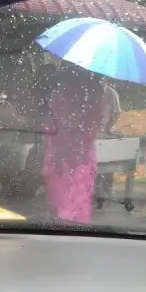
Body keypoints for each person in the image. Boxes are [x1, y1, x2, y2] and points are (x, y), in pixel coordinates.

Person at [42, 63, 104, 223]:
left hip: (77, 161)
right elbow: (50, 128)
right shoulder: (62, 96)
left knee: (73, 206)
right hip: (64, 161)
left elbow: (91, 130)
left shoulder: (92, 98)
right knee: (66, 206)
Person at [98, 79, 123, 206]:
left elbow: (117, 113)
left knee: (108, 166)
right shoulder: (89, 90)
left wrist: (108, 127)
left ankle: (107, 194)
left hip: (105, 132)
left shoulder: (111, 93)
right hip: (92, 133)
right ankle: (96, 195)